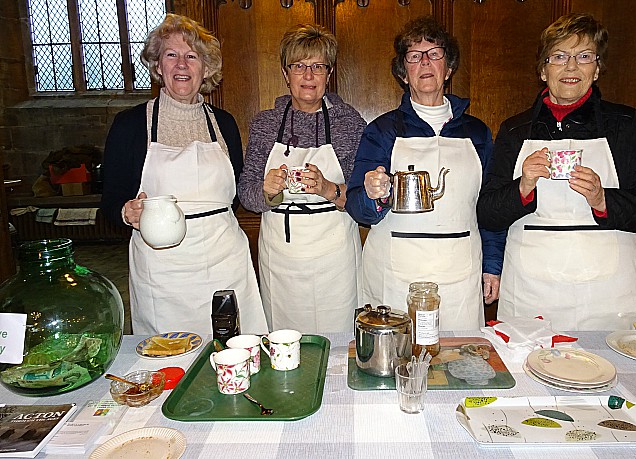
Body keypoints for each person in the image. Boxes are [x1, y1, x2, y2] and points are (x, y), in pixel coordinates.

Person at [476, 13, 636, 331]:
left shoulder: (623, 125)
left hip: (608, 297)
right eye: (559, 56)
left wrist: (602, 200)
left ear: (596, 69)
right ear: (543, 70)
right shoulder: (515, 130)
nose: (571, 67)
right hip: (532, 294)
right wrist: (523, 186)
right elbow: (486, 214)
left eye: (583, 56)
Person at [101, 14, 268, 337]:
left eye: (191, 57)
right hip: (162, 268)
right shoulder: (130, 125)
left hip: (225, 260)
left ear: (205, 69)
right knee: (168, 359)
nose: (181, 65)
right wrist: (126, 211)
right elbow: (109, 202)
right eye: (171, 55)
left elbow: (231, 197)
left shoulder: (225, 124)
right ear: (157, 65)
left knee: (234, 348)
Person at [345, 16, 505, 330]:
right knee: (396, 360)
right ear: (404, 73)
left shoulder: (477, 132)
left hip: (460, 271)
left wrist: (493, 265)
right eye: (414, 56)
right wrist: (372, 195)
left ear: (449, 67)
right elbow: (356, 206)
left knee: (459, 362)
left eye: (435, 54)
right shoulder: (383, 130)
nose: (425, 62)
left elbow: (490, 208)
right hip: (395, 271)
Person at [238, 24, 366, 333]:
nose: (308, 76)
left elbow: (363, 200)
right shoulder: (266, 124)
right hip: (280, 259)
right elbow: (245, 193)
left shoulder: (348, 124)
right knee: (285, 343)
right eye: (299, 66)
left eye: (317, 66)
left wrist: (327, 188)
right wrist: (268, 192)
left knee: (339, 342)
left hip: (335, 260)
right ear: (286, 73)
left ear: (329, 72)